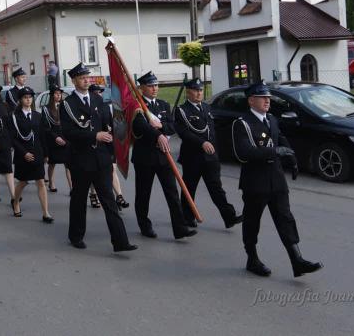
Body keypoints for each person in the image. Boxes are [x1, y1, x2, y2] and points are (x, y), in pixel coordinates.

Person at [232, 80, 322, 278]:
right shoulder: (242, 123)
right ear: (251, 100)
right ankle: (252, 258)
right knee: (252, 222)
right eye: (262, 97)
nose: (267, 101)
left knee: (285, 218)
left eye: (268, 97)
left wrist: (292, 159)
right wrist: (274, 151)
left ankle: (297, 260)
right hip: (255, 182)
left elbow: (280, 139)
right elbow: (243, 153)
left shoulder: (271, 119)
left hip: (276, 178)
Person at [60, 63, 136, 253]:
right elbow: (69, 132)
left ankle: (120, 241)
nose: (86, 80)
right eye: (82, 78)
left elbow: (107, 126)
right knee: (79, 200)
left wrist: (111, 154)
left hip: (101, 159)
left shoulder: (97, 99)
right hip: (81, 160)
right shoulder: (68, 104)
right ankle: (76, 236)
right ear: (74, 81)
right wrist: (94, 136)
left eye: (88, 77)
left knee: (109, 200)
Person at [131, 71, 195, 241]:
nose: (155, 88)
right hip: (145, 157)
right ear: (141, 88)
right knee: (143, 194)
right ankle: (144, 225)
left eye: (156, 85)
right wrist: (158, 135)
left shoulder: (163, 104)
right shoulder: (137, 106)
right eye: (150, 86)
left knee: (172, 193)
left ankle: (180, 229)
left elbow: (172, 126)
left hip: (163, 156)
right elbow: (140, 126)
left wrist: (161, 128)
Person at [174, 77, 242, 229]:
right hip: (192, 157)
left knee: (216, 188)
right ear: (188, 92)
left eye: (200, 90)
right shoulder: (182, 111)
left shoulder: (206, 107)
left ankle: (229, 217)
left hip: (210, 158)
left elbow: (212, 132)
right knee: (189, 189)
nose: (199, 93)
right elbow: (184, 133)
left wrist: (216, 153)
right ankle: (188, 217)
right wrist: (201, 143)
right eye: (195, 90)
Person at [9, 87, 52, 222]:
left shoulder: (37, 115)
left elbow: (42, 136)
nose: (28, 100)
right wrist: (24, 153)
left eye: (30, 97)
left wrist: (46, 154)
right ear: (20, 100)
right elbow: (12, 138)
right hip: (22, 154)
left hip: (37, 153)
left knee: (41, 182)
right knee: (23, 182)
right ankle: (16, 202)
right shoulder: (14, 117)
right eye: (25, 97)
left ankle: (46, 213)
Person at [87, 84, 129, 210]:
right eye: (96, 92)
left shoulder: (105, 107)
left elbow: (111, 124)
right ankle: (93, 193)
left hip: (107, 143)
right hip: (93, 143)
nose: (99, 94)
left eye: (100, 92)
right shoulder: (87, 107)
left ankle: (119, 196)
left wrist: (114, 139)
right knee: (94, 172)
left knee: (112, 169)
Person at [40, 85, 71, 193]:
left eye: (60, 94)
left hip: (65, 137)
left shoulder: (65, 106)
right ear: (52, 95)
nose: (58, 96)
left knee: (68, 164)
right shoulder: (46, 109)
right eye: (56, 94)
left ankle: (72, 187)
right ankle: (51, 183)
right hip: (52, 138)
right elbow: (45, 126)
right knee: (52, 163)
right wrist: (55, 137)